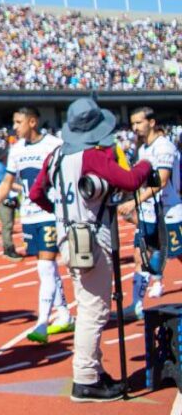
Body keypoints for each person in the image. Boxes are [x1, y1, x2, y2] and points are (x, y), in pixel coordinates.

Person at [29, 98, 153, 402]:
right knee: (93, 310)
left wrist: (62, 213)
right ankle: (86, 378)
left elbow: (36, 193)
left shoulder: (55, 156)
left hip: (67, 236)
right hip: (90, 237)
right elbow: (129, 180)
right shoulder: (91, 156)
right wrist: (148, 163)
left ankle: (94, 372)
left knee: (87, 303)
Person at [0, 106, 74, 344]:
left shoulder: (54, 144)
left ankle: (42, 324)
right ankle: (64, 314)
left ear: (32, 122)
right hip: (29, 216)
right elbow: (7, 181)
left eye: (18, 121)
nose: (14, 126)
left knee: (45, 268)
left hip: (50, 213)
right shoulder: (16, 150)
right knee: (48, 269)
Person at [119, 107, 181, 319]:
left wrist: (133, 202)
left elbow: (161, 182)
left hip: (169, 212)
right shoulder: (143, 149)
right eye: (133, 124)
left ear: (151, 122)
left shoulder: (164, 147)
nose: (135, 127)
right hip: (148, 213)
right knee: (140, 256)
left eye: (139, 122)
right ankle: (136, 304)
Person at [0, 148, 23, 260]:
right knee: (7, 225)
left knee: (11, 223)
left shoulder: (4, 166)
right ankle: (8, 249)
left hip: (11, 197)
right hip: (4, 199)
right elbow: (8, 184)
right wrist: (23, 189)